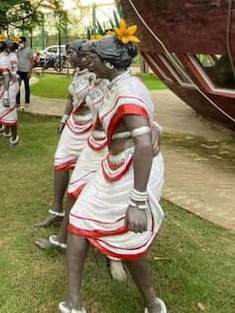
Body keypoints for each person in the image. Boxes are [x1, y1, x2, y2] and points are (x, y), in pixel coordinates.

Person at [60, 27, 167, 313]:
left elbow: (144, 145)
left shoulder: (128, 91)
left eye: (91, 57)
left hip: (135, 171)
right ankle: (73, 304)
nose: (85, 61)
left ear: (107, 63)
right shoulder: (112, 84)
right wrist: (156, 127)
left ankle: (153, 304)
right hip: (115, 164)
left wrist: (138, 202)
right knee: (80, 219)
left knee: (127, 238)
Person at [33, 41, 94, 231]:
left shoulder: (95, 75)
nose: (67, 56)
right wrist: (64, 119)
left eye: (70, 53)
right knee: (60, 162)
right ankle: (56, 210)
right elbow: (70, 98)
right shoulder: (77, 72)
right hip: (73, 124)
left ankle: (82, 213)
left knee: (86, 172)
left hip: (90, 126)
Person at [15, 36, 34, 108]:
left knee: (26, 86)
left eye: (21, 42)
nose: (20, 43)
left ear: (24, 42)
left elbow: (32, 62)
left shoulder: (29, 50)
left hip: (26, 71)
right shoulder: (18, 51)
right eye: (19, 42)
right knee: (17, 87)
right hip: (18, 71)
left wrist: (30, 72)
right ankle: (17, 102)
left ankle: (27, 101)